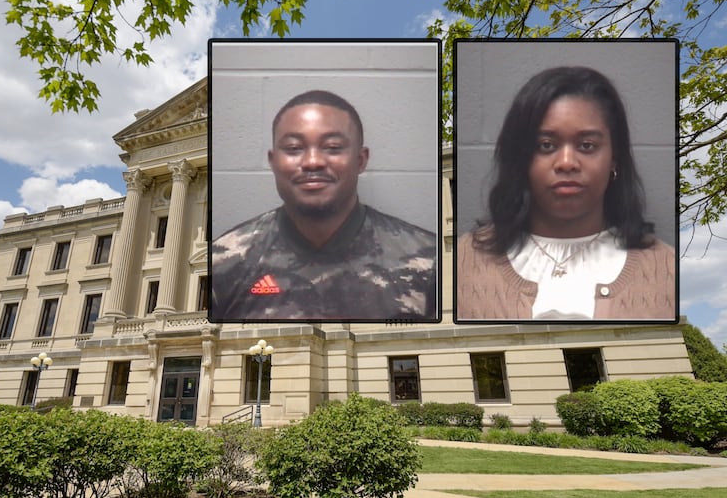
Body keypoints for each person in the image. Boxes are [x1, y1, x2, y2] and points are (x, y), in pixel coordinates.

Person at [456, 66, 675, 320]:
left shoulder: (667, 269)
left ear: (614, 158)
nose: (567, 163)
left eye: (587, 145)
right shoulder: (462, 262)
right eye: (546, 145)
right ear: (520, 159)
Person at [211, 89, 437, 320]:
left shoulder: (430, 262)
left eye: (333, 147)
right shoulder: (222, 263)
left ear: (360, 160)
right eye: (294, 149)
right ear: (273, 161)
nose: (313, 162)